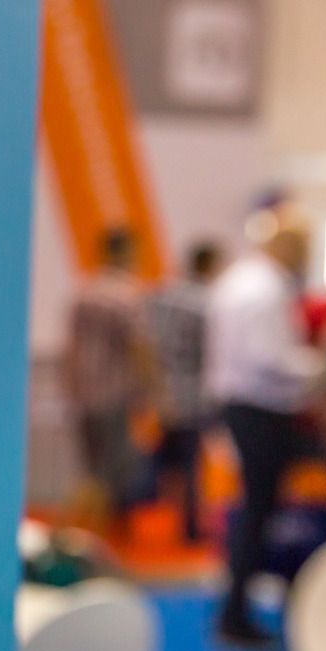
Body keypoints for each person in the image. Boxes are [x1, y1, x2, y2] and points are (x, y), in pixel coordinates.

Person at [206, 199, 324, 644]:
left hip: (245, 407)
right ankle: (237, 615)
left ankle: (238, 611)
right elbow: (269, 358)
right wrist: (317, 366)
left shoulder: (240, 280)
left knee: (256, 513)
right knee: (257, 513)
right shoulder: (267, 288)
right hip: (262, 410)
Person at [65, 227, 155, 525]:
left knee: (92, 467)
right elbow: (138, 346)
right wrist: (151, 389)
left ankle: (85, 527)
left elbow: (72, 346)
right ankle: (97, 531)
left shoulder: (86, 292)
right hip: (114, 393)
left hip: (83, 392)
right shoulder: (127, 294)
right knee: (112, 469)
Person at [146, 242, 222, 544]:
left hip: (164, 388)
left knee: (166, 461)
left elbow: (148, 342)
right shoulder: (206, 302)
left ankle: (155, 520)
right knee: (190, 461)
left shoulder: (163, 295)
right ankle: (189, 525)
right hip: (193, 390)